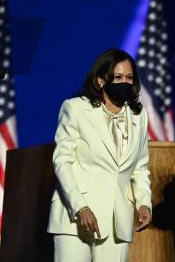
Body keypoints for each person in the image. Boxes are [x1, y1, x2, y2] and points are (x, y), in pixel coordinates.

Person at [47, 48, 152, 262]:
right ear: (101, 81)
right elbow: (62, 162)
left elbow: (140, 167)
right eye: (118, 77)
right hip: (75, 218)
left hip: (118, 222)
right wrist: (81, 207)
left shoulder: (138, 116)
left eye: (130, 78)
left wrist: (144, 202)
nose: (125, 83)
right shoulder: (75, 109)